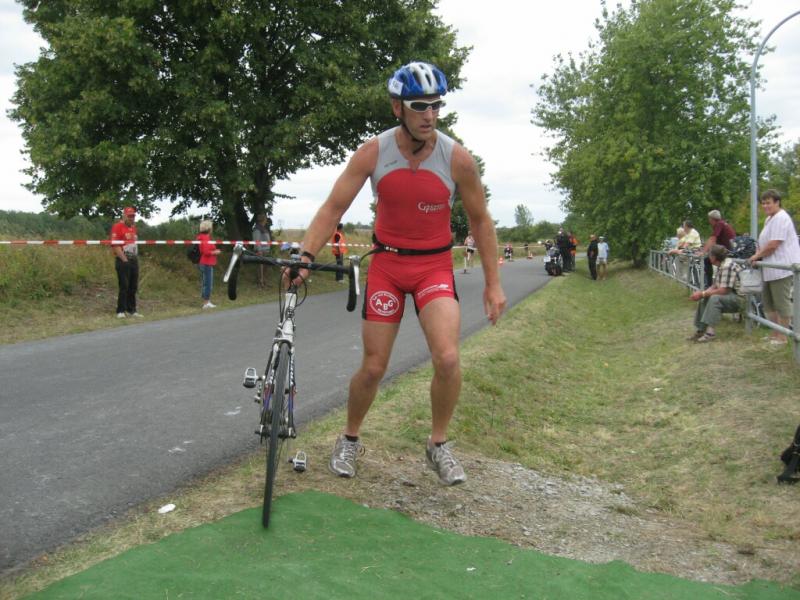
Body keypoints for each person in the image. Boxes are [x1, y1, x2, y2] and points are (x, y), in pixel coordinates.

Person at [295, 61, 506, 485]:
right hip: (388, 266)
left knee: (448, 357)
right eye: (419, 106)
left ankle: (438, 444)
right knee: (374, 367)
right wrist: (304, 256)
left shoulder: (457, 159)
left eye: (436, 105)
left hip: (433, 266)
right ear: (398, 108)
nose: (430, 114)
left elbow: (481, 220)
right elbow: (333, 207)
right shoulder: (374, 152)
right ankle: (349, 438)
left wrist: (493, 283)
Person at [748, 189, 800, 346]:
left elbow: (774, 244)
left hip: (782, 268)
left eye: (768, 203)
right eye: (763, 203)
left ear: (777, 202)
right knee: (769, 303)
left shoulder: (781, 218)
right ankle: (775, 333)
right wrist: (758, 254)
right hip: (770, 268)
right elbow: (764, 243)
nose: (765, 206)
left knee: (781, 303)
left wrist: (756, 256)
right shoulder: (769, 219)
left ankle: (783, 337)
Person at [687, 245, 742, 342]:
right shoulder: (722, 265)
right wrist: (702, 294)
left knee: (714, 298)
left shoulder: (727, 266)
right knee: (706, 297)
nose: (708, 256)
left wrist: (703, 294)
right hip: (731, 295)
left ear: (714, 257)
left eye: (709, 254)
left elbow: (724, 290)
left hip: (740, 299)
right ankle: (701, 330)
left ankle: (710, 333)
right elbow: (715, 286)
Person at [111, 206, 142, 318]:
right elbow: (115, 245)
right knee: (124, 286)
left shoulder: (133, 227)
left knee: (133, 286)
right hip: (123, 259)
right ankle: (121, 310)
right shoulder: (117, 227)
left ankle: (132, 310)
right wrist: (124, 260)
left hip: (133, 259)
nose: (131, 218)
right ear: (124, 216)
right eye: (129, 216)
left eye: (133, 216)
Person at [701, 209, 736, 289]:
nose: (709, 221)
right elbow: (714, 242)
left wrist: (703, 252)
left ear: (712, 219)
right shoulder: (723, 223)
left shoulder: (719, 224)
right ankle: (717, 282)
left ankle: (709, 285)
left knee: (707, 260)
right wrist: (706, 249)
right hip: (729, 249)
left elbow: (712, 239)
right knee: (712, 259)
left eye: (709, 219)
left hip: (728, 251)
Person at [197, 220, 221, 309]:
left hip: (205, 262)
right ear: (209, 228)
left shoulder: (202, 237)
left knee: (206, 283)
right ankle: (206, 302)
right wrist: (215, 252)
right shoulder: (205, 238)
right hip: (207, 262)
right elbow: (206, 252)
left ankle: (206, 301)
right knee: (208, 284)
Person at [252, 213, 271, 287]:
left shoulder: (263, 228)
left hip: (265, 251)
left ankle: (264, 281)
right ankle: (260, 283)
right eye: (265, 219)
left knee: (265, 268)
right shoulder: (257, 229)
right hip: (260, 251)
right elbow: (257, 240)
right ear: (263, 220)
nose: (266, 220)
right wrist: (259, 251)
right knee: (260, 268)